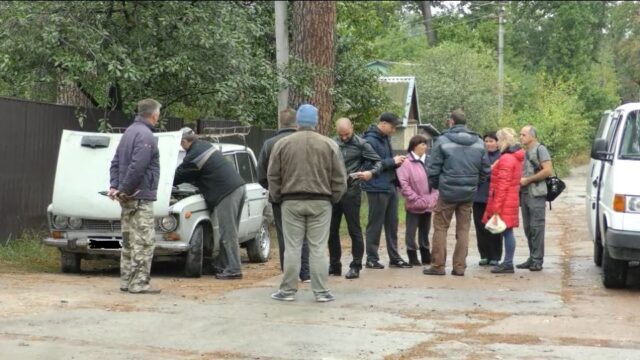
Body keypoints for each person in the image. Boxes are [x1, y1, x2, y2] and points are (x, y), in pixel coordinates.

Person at [268, 104, 346, 302]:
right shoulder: (329, 144)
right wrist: (333, 198)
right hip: (321, 202)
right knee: (318, 248)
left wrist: (278, 197)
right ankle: (321, 292)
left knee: (292, 247)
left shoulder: (282, 144)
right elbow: (339, 178)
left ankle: (287, 291)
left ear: (298, 122)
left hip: (291, 201)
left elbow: (273, 175)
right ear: (316, 121)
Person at [423, 109, 491, 276]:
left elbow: (433, 168)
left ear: (451, 122)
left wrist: (438, 185)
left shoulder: (442, 140)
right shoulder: (478, 142)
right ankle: (459, 267)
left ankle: (438, 266)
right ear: (465, 122)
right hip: (468, 193)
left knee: (440, 227)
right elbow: (485, 170)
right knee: (463, 230)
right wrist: (474, 183)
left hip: (447, 192)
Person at [174, 130, 246, 280]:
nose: (181, 146)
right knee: (229, 232)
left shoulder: (194, 155)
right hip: (236, 188)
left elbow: (180, 174)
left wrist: (165, 184)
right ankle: (221, 264)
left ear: (185, 142)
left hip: (226, 192)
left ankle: (234, 269)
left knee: (228, 233)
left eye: (181, 143)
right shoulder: (204, 145)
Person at [108, 98, 162, 294]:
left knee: (129, 241)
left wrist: (115, 186)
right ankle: (139, 283)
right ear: (154, 115)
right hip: (140, 196)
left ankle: (126, 281)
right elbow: (138, 167)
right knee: (144, 241)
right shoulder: (146, 136)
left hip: (127, 197)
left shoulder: (129, 132)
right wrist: (124, 188)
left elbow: (115, 162)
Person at [257, 108, 311, 282]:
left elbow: (261, 174)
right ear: (297, 123)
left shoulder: (269, 144)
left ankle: (288, 273)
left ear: (280, 123)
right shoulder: (306, 142)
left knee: (284, 235)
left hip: (280, 197)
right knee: (305, 234)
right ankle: (306, 272)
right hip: (306, 194)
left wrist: (274, 190)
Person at [329, 117, 382, 279]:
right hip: (333, 192)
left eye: (346, 134)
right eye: (341, 135)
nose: (344, 137)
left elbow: (378, 162)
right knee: (331, 231)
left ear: (352, 128)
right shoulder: (331, 143)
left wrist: (370, 173)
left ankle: (356, 265)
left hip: (352, 192)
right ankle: (334, 265)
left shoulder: (361, 144)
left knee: (354, 230)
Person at [361, 112, 412, 269]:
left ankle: (394, 257)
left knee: (392, 223)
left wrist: (396, 163)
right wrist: (392, 161)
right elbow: (369, 166)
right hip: (376, 186)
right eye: (392, 126)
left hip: (389, 185)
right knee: (375, 223)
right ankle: (371, 257)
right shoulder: (369, 140)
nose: (394, 129)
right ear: (382, 123)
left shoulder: (385, 138)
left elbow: (385, 163)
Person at [481, 128, 525, 274]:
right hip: (510, 198)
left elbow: (502, 184)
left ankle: (507, 262)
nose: (497, 143)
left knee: (507, 232)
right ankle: (507, 261)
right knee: (507, 231)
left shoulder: (506, 158)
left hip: (504, 200)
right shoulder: (514, 157)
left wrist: (497, 207)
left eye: (498, 140)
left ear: (504, 140)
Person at [396, 135, 439, 266]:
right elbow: (404, 184)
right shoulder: (406, 162)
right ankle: (412, 255)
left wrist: (433, 198)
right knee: (411, 231)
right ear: (414, 146)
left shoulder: (430, 161)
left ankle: (426, 254)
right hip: (414, 203)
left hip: (428, 203)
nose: (425, 147)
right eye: (422, 144)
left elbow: (436, 181)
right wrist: (415, 199)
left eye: (426, 144)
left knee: (425, 230)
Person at [517, 125, 553, 271]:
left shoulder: (540, 149)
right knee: (528, 228)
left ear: (532, 136)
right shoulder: (525, 151)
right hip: (525, 194)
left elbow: (548, 171)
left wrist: (529, 179)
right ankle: (532, 257)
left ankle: (537, 260)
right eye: (520, 134)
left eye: (523, 134)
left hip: (536, 194)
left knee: (536, 227)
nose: (521, 137)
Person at [473, 132, 503, 267]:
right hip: (478, 196)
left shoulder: (502, 156)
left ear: (498, 142)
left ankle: (495, 256)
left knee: (495, 228)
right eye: (486, 141)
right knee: (480, 228)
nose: (489, 144)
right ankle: (484, 255)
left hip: (495, 197)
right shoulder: (480, 155)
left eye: (491, 141)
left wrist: (488, 172)